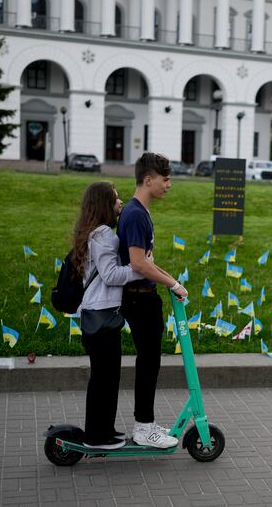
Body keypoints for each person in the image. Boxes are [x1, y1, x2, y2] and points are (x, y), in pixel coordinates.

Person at [118, 152, 188, 448]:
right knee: (149, 363)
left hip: (145, 297)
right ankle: (144, 429)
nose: (169, 185)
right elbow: (138, 264)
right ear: (149, 179)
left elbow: (147, 262)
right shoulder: (135, 214)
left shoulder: (139, 212)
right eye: (166, 178)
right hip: (139, 300)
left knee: (151, 362)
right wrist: (171, 282)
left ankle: (145, 423)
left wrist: (173, 283)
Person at [73, 181, 142, 450]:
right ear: (104, 205)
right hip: (99, 315)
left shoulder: (96, 232)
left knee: (108, 376)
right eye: (115, 200)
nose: (120, 203)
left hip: (102, 313)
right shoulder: (102, 235)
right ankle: (96, 436)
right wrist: (140, 268)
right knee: (103, 377)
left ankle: (104, 429)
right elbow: (111, 275)